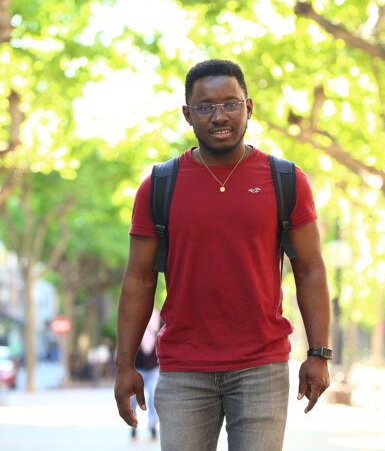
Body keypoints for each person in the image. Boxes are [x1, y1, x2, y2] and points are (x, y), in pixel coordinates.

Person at [114, 59, 331, 451]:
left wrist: (318, 353)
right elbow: (139, 277)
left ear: (248, 107)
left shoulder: (286, 180)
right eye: (205, 107)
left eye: (230, 104)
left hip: (261, 367)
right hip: (183, 370)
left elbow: (311, 269)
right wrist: (124, 364)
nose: (219, 116)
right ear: (187, 114)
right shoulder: (159, 185)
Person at [130, 307, 162, 440]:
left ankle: (153, 425)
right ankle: (133, 424)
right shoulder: (134, 319)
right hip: (137, 367)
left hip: (154, 367)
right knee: (132, 400)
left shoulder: (159, 320)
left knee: (153, 397)